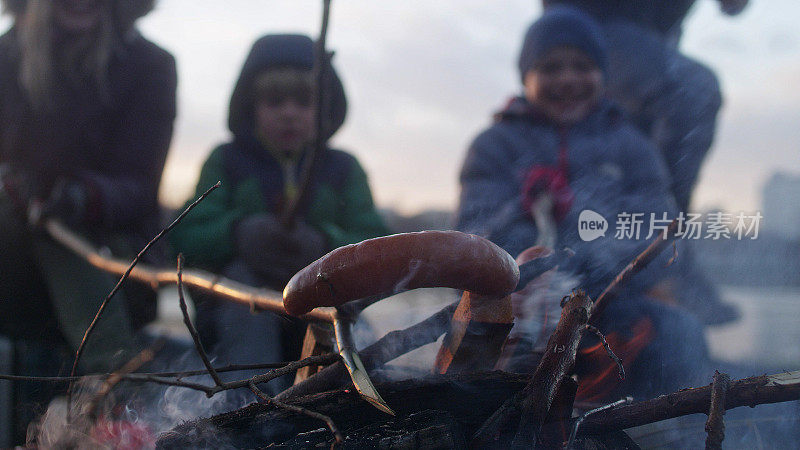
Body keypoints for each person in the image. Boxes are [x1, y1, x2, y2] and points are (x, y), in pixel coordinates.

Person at [455, 7, 711, 401]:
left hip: (609, 304)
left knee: (681, 332)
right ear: (527, 78)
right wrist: (525, 213)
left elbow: (658, 233)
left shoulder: (633, 147)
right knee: (472, 356)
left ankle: (679, 433)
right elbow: (472, 237)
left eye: (583, 65)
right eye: (551, 67)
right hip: (518, 308)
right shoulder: (494, 145)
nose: (568, 78)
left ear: (603, 76)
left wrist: (586, 241)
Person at [170, 34, 389, 394]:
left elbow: (376, 243)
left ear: (323, 110)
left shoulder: (344, 168)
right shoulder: (225, 161)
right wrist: (239, 233)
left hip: (323, 309)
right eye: (274, 101)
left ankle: (356, 399)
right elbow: (186, 235)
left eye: (303, 102)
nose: (289, 111)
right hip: (237, 321)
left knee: (341, 309)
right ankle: (251, 404)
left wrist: (325, 243)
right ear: (251, 106)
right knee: (241, 282)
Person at [0, 0, 176, 441]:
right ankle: (124, 390)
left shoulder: (149, 66)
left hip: (109, 261)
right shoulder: (5, 59)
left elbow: (140, 184)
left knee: (57, 231)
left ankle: (121, 386)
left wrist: (82, 197)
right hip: (11, 262)